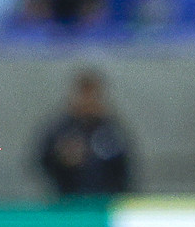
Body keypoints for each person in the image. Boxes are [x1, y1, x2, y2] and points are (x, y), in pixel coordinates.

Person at [35, 69, 133, 197]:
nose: (88, 101)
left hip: (106, 200)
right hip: (69, 200)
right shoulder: (61, 129)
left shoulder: (110, 129)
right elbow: (42, 161)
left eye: (93, 95)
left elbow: (125, 167)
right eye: (84, 95)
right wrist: (61, 159)